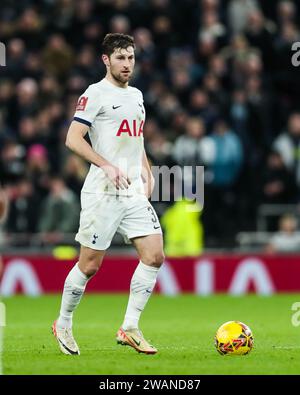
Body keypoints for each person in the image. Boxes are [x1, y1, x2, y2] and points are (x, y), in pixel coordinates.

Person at [52, 33, 164, 356]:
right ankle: (63, 322)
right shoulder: (95, 94)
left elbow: (136, 138)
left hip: (131, 192)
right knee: (89, 265)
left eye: (130, 58)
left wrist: (146, 169)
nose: (127, 64)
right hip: (102, 190)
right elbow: (73, 138)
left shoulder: (138, 96)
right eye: (120, 58)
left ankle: (129, 327)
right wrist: (106, 165)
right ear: (106, 60)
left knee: (155, 255)